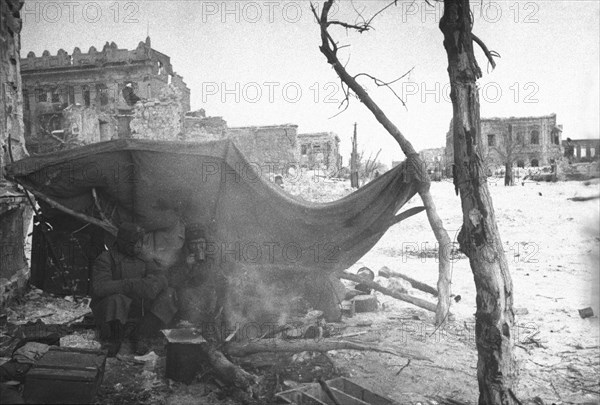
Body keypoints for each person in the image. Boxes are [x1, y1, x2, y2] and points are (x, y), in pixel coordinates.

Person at [91, 223, 177, 356]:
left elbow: (162, 276)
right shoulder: (106, 258)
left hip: (140, 307)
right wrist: (131, 285)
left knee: (169, 294)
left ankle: (141, 335)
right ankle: (114, 340)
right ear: (123, 243)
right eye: (133, 244)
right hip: (113, 313)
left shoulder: (144, 257)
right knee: (116, 300)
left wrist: (154, 284)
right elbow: (99, 287)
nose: (137, 247)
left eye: (139, 243)